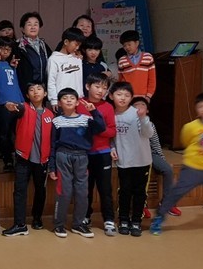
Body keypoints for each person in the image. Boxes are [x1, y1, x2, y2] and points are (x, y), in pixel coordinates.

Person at [49, 87, 106, 238]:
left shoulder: (86, 119)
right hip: (63, 156)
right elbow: (53, 145)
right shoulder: (56, 121)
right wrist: (52, 166)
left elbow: (101, 127)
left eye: (72, 98)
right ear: (59, 103)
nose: (68, 100)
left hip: (82, 156)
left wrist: (94, 111)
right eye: (65, 98)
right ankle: (59, 224)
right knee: (64, 191)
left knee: (82, 192)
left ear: (77, 102)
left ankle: (78, 224)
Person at [151, 92, 203, 235]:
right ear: (196, 110)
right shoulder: (190, 127)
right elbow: (185, 141)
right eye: (201, 106)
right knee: (176, 193)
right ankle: (159, 217)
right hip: (193, 168)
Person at [1, 83, 54, 236]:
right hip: (23, 158)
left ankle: (37, 218)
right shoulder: (23, 108)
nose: (35, 92)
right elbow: (14, 107)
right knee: (19, 190)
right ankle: (20, 224)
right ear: (27, 95)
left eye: (39, 89)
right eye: (31, 90)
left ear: (45, 94)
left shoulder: (50, 115)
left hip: (42, 160)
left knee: (40, 190)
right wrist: (9, 105)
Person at [109, 82, 153, 237]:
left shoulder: (137, 113)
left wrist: (143, 118)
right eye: (119, 94)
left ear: (131, 98)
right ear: (111, 96)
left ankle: (136, 221)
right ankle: (123, 220)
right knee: (125, 191)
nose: (123, 98)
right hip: (124, 161)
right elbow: (111, 137)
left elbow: (148, 134)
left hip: (142, 161)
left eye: (127, 95)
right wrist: (112, 148)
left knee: (139, 192)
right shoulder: (111, 114)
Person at [78, 74, 117, 236]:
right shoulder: (79, 103)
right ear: (88, 86)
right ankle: (85, 216)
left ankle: (109, 219)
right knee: (85, 187)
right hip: (83, 153)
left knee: (105, 188)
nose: (101, 91)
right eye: (97, 86)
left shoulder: (108, 107)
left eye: (104, 88)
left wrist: (98, 130)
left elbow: (112, 131)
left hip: (102, 153)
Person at [135, 98, 182, 219]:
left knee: (168, 169)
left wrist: (162, 159)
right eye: (136, 106)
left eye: (142, 105)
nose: (139, 108)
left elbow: (155, 144)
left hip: (150, 154)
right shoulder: (128, 123)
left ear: (147, 110)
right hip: (134, 156)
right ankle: (141, 204)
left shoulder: (150, 124)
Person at [0, 38, 23, 171]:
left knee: (17, 132)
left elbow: (15, 84)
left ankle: (19, 159)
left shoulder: (10, 65)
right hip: (3, 103)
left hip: (17, 102)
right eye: (3, 49)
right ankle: (7, 159)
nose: (6, 52)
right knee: (4, 133)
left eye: (8, 50)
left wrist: (22, 100)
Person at [47, 27, 85, 110]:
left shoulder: (77, 58)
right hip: (62, 100)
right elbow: (51, 81)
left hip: (78, 100)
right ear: (66, 42)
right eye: (76, 44)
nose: (77, 48)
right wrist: (53, 99)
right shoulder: (54, 59)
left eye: (79, 45)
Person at [15, 11, 52, 97]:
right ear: (22, 29)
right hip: (25, 90)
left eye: (36, 24)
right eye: (29, 24)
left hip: (42, 90)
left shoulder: (43, 45)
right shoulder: (17, 46)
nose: (33, 27)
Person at [117, 29, 156, 101]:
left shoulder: (148, 57)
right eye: (124, 45)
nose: (127, 47)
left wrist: (148, 96)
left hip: (144, 98)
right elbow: (121, 81)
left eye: (129, 44)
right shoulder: (122, 60)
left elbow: (152, 79)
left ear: (137, 43)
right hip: (127, 98)